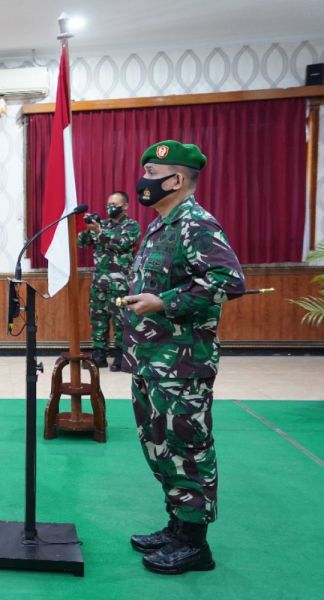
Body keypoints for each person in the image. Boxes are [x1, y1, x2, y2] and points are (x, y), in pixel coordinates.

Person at [121, 141, 245, 575]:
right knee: (160, 447)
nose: (144, 181)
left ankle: (195, 544)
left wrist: (164, 302)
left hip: (183, 363)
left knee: (187, 448)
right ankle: (177, 525)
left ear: (176, 179)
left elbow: (229, 280)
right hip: (153, 360)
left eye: (152, 173)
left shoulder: (196, 223)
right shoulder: (161, 226)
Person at [77, 192, 140, 371]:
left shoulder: (131, 226)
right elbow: (82, 242)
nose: (110, 207)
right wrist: (89, 228)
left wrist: (99, 231)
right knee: (98, 318)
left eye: (114, 204)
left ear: (125, 206)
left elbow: (122, 244)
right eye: (108, 204)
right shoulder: (102, 224)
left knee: (121, 321)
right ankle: (99, 354)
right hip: (99, 282)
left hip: (120, 283)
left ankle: (120, 355)